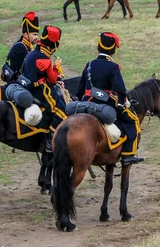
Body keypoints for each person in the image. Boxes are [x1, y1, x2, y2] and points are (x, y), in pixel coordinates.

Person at [76, 32, 143, 166]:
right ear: (113, 50)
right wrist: (122, 103)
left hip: (86, 102)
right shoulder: (113, 67)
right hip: (105, 104)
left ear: (98, 47)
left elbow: (79, 90)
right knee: (133, 120)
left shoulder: (89, 65)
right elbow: (120, 90)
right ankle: (128, 155)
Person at [21, 25, 67, 152]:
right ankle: (50, 140)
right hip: (38, 89)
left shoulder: (35, 52)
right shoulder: (44, 58)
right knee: (61, 110)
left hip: (27, 85)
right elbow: (52, 79)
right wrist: (56, 68)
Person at [2, 12, 40, 83]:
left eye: (37, 35)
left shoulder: (26, 46)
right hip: (15, 84)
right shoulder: (20, 48)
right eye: (34, 34)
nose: (37, 37)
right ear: (26, 34)